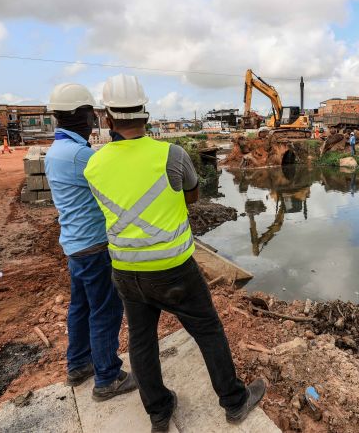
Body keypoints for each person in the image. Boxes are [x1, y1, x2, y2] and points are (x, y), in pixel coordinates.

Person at [83, 75, 265, 432]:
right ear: (146, 114)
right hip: (174, 269)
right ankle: (234, 402)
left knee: (141, 339)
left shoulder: (94, 165)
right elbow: (193, 196)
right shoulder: (172, 154)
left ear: (107, 117)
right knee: (208, 330)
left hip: (125, 270)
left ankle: (159, 412)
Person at [44, 83, 136, 401]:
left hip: (74, 246)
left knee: (81, 307)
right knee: (106, 311)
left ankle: (78, 364)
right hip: (95, 247)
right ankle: (107, 377)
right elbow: (118, 186)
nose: (93, 119)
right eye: (91, 113)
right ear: (84, 116)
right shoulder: (81, 155)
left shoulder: (55, 152)